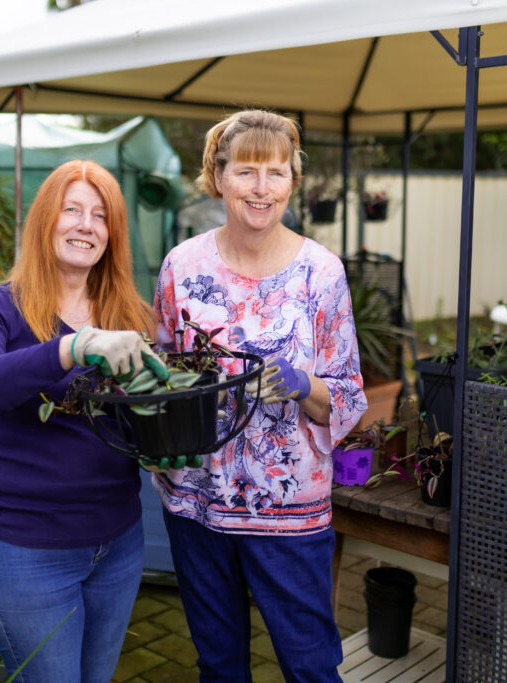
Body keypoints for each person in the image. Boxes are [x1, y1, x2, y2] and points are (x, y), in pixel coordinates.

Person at [150, 110, 368, 682]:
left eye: (276, 172)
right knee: (219, 666)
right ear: (217, 176)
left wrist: (303, 384)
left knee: (311, 664)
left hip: (288, 509)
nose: (262, 188)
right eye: (247, 171)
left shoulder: (321, 274)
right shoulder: (181, 266)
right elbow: (162, 376)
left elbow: (347, 395)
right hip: (195, 500)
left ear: (293, 182)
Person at [0, 159, 172, 682]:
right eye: (72, 209)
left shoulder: (132, 318)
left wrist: (166, 438)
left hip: (117, 544)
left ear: (111, 235)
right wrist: (72, 347)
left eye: (100, 216)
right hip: (28, 552)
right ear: (44, 220)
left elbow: (141, 421)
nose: (85, 224)